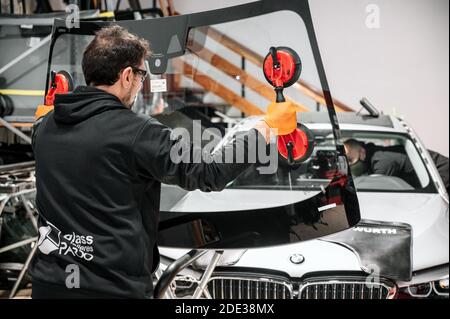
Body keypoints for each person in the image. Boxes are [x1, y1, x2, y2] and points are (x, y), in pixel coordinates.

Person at [30, 25, 302, 299]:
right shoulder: (137, 132)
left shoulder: (44, 128)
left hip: (49, 285)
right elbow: (210, 172)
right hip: (112, 290)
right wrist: (266, 128)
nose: (140, 84)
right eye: (141, 75)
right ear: (126, 76)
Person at [344, 138, 418, 186]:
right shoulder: (371, 158)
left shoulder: (380, 163)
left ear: (362, 152)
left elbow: (377, 189)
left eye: (350, 160)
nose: (348, 165)